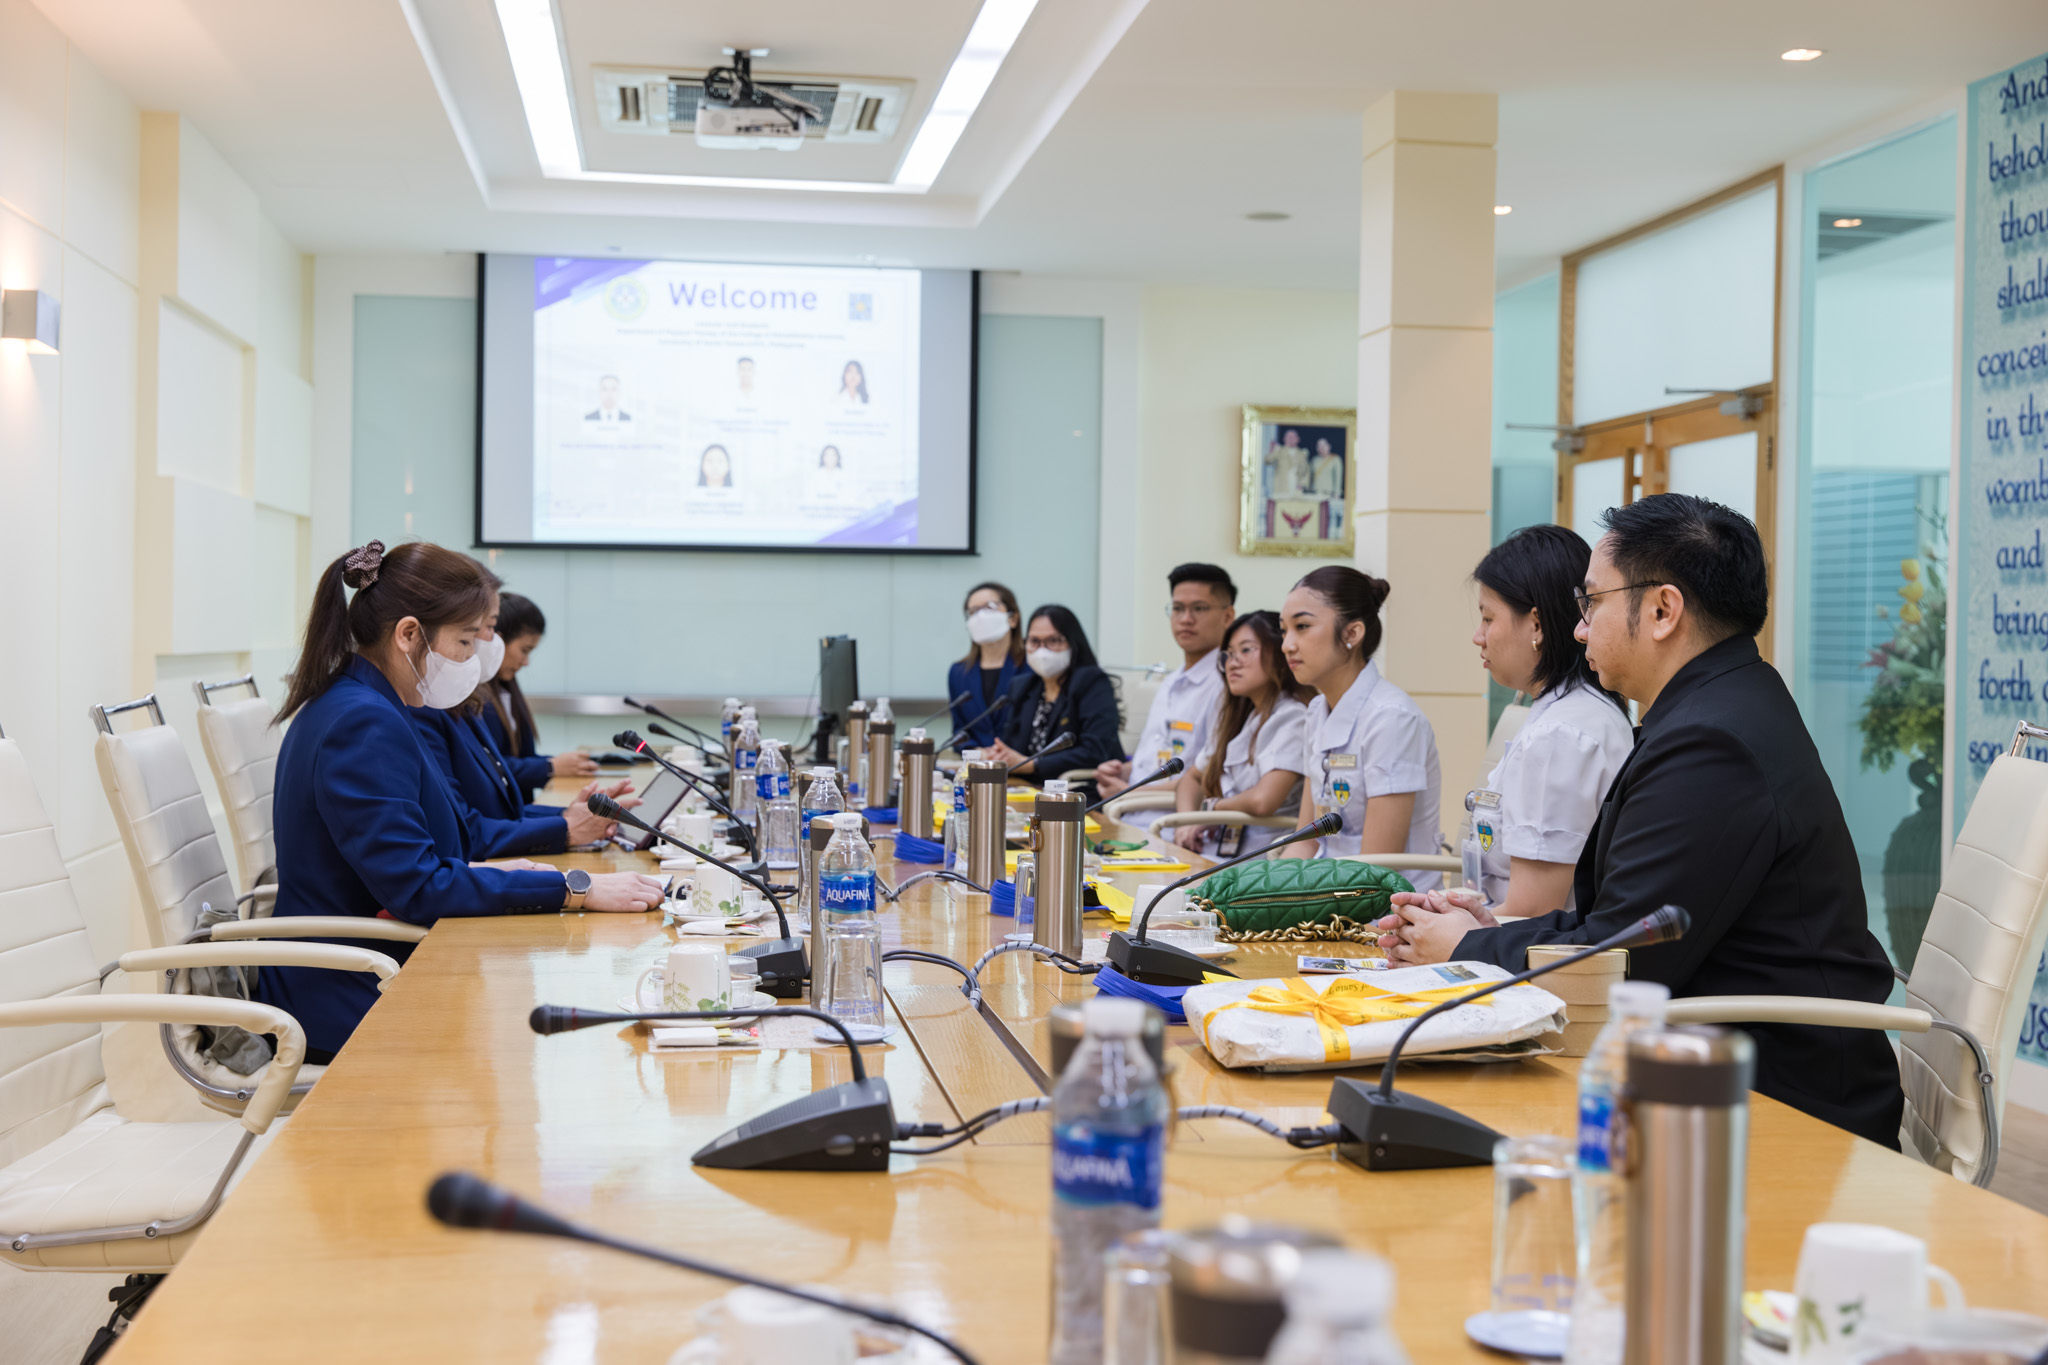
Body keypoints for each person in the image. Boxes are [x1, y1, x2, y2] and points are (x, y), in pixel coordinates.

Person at [1376, 494, 1904, 1146]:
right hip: (1714, 1054)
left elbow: (1626, 957)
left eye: (1591, 602)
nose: (1579, 630)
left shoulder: (1712, 743)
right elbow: (1628, 920)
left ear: (1662, 610)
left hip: (1783, 1100)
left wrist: (1467, 948)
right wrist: (1492, 929)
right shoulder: (1719, 704)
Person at [261, 540, 663, 1060]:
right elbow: (418, 887)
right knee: (542, 1029)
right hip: (345, 985)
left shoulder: (371, 703)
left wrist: (513, 873)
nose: (473, 659)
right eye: (465, 641)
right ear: (409, 634)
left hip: (375, 958)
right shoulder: (364, 722)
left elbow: (425, 855)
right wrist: (573, 889)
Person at [1449, 525, 1632, 916]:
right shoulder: (1575, 711)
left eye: (1488, 619)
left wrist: (1443, 927)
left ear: (1535, 624)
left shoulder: (1558, 737)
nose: (1478, 637)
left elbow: (1530, 914)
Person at [409, 575, 636, 859]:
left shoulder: (462, 703)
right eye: (476, 632)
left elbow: (502, 811)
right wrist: (565, 827)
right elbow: (464, 830)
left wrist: (569, 817)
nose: (487, 642)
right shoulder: (425, 708)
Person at [1277, 566, 1443, 890]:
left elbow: (1374, 871)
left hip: (1384, 907)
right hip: (1325, 891)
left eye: (1302, 627)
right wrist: (1264, 892)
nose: (1287, 645)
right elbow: (1306, 841)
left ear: (1352, 633)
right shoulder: (1316, 710)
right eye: (1284, 631)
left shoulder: (1391, 718)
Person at [1094, 564, 1234, 827]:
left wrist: (1130, 792)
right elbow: (1160, 757)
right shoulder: (1170, 681)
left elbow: (1212, 778)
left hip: (1172, 827)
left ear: (1228, 616)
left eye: (1199, 608)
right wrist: (1123, 772)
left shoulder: (1227, 686)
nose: (1186, 619)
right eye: (1178, 608)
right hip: (1129, 818)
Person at [1167, 611, 1313, 856]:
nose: (1232, 663)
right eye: (1229, 654)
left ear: (1279, 654)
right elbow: (1191, 780)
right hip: (1217, 852)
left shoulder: (1293, 717)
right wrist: (1186, 821)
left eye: (1246, 650)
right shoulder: (1241, 718)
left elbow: (1263, 801)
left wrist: (1213, 809)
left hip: (1262, 858)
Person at [478, 591, 600, 802]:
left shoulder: (507, 691)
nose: (526, 662)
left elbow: (520, 757)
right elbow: (487, 768)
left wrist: (562, 764)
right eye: (524, 650)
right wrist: (549, 767)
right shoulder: (473, 700)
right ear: (497, 640)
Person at [987, 605, 1124, 784]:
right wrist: (1001, 754)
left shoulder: (1092, 682)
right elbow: (1012, 746)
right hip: (1027, 786)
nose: (1042, 650)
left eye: (1053, 641)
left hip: (1079, 787)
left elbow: (1093, 752)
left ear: (1073, 643)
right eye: (1034, 641)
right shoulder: (1022, 686)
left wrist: (1032, 765)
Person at [946, 582, 1028, 750]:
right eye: (973, 611)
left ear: (1013, 618)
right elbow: (959, 733)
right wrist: (978, 752)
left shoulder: (1032, 666)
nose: (981, 616)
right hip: (977, 762)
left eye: (990, 607)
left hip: (1023, 762)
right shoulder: (958, 673)